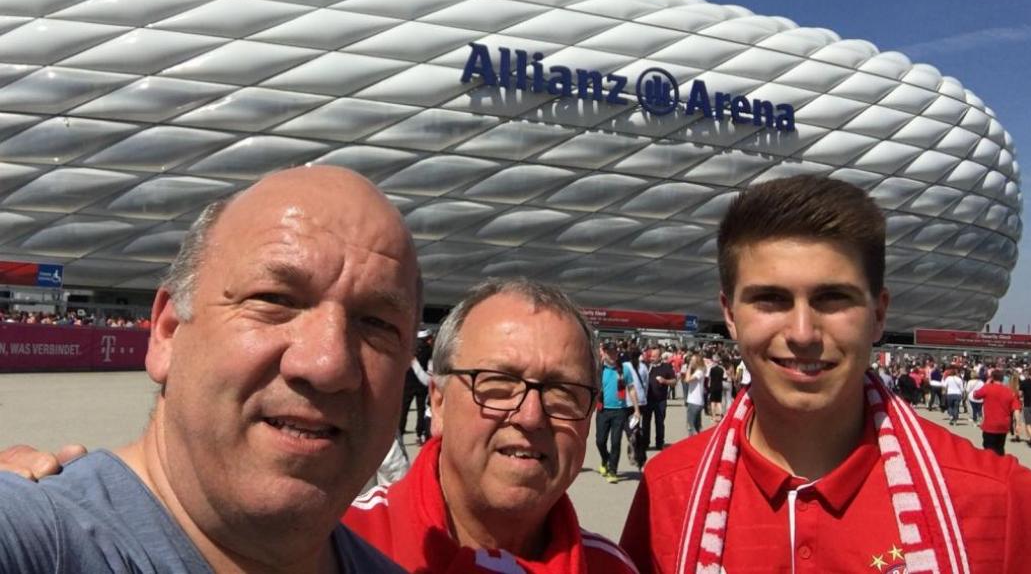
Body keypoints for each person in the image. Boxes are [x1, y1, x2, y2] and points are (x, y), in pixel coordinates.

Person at [0, 166, 418, 573]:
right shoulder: (39, 541)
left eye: (378, 324)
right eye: (275, 298)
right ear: (168, 332)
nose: (328, 364)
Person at [621, 174, 1031, 573]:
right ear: (730, 315)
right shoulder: (666, 493)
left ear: (878, 314)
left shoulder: (1000, 500)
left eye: (833, 298)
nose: (803, 334)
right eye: (770, 299)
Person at [344, 278, 637, 573]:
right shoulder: (334, 547)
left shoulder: (611, 567)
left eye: (562, 391)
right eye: (498, 384)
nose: (531, 416)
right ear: (439, 403)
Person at [596, 341, 640, 483]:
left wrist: (636, 410)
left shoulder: (624, 370)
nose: (613, 355)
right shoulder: (599, 370)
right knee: (600, 441)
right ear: (604, 353)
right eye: (610, 352)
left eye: (615, 352)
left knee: (616, 442)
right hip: (603, 410)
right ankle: (605, 460)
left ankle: (612, 471)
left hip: (619, 411)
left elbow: (631, 389)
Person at [975, 369, 1021, 456]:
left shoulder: (987, 388)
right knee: (1000, 447)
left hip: (990, 424)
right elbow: (1016, 409)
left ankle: (990, 466)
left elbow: (976, 395)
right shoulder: (1009, 392)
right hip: (1003, 424)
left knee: (988, 448)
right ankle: (999, 464)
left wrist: (986, 384)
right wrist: (1018, 423)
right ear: (1003, 378)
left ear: (992, 378)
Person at [401, 328, 434, 443]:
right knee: (421, 410)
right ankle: (419, 434)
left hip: (408, 384)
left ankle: (400, 431)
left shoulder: (409, 350)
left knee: (404, 409)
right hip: (422, 384)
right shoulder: (430, 351)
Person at [643, 347, 678, 450]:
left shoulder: (666, 367)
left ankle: (659, 443)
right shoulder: (646, 366)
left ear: (660, 357)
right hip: (647, 400)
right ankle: (645, 443)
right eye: (651, 356)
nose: (652, 358)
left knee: (659, 422)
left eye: (654, 356)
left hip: (660, 400)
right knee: (645, 423)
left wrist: (665, 381)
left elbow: (674, 381)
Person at [682, 352, 706, 435]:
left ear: (697, 362)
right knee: (696, 425)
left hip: (694, 402)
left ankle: (693, 442)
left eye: (692, 360)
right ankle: (697, 441)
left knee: (691, 426)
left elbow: (687, 380)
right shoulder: (699, 371)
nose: (690, 362)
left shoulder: (699, 371)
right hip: (696, 401)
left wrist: (688, 368)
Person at [1020, 366, 1031, 448]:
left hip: (1028, 405)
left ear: (1028, 373)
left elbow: (1020, 394)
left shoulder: (1024, 382)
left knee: (1028, 423)